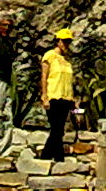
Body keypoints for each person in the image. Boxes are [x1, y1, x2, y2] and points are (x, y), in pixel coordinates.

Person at [40, 28, 75, 160]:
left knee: (59, 129)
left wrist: (73, 100)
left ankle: (52, 157)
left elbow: (69, 81)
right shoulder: (50, 55)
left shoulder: (67, 61)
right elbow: (44, 76)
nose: (66, 45)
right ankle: (52, 157)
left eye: (68, 42)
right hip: (53, 96)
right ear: (58, 41)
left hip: (66, 98)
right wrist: (44, 96)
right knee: (57, 129)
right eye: (64, 41)